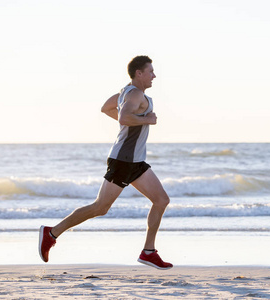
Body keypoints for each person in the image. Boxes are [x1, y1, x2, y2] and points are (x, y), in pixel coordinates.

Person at [38, 55, 173, 270]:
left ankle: (149, 252)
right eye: (150, 71)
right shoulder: (135, 94)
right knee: (100, 207)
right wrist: (146, 120)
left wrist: (132, 122)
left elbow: (107, 108)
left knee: (161, 200)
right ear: (139, 73)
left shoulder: (125, 92)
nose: (154, 76)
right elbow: (123, 118)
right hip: (123, 160)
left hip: (135, 161)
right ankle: (51, 232)